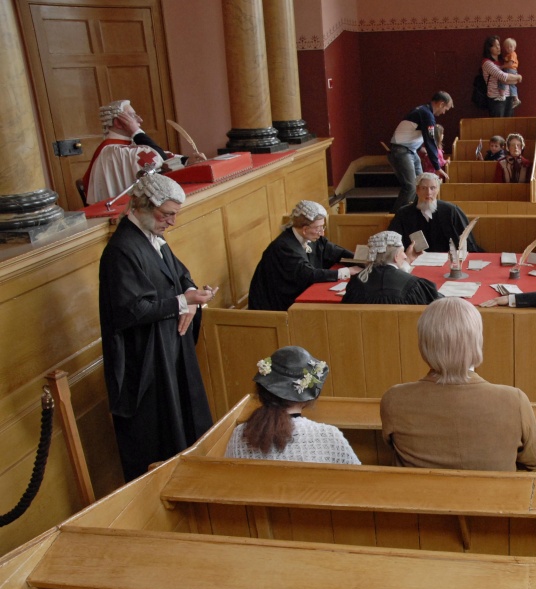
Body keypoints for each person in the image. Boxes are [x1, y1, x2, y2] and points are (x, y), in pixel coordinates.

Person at [98, 172, 216, 481]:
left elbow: (182, 275)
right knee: (157, 433)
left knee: (184, 419)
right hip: (145, 360)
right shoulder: (122, 249)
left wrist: (192, 300)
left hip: (167, 347)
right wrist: (181, 301)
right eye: (167, 215)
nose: (172, 222)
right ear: (143, 206)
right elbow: (132, 310)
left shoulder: (155, 239)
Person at [381, 298, 536, 471]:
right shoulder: (514, 400)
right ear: (477, 342)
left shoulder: (395, 399)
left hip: (421, 496)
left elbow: (393, 448)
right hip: (495, 496)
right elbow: (532, 460)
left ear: (423, 344)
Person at [225, 346, 361, 465]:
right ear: (307, 395)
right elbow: (358, 480)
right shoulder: (328, 436)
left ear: (262, 389)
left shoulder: (240, 434)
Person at [82, 99, 206, 205]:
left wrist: (188, 161)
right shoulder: (114, 151)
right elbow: (158, 157)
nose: (140, 120)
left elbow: (163, 156)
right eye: (132, 116)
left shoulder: (129, 146)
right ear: (118, 122)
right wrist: (136, 131)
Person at [248, 200, 355, 311]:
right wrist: (347, 271)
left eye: (322, 227)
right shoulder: (284, 247)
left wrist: (361, 261)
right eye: (318, 228)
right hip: (276, 306)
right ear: (304, 229)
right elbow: (308, 274)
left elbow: (336, 251)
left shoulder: (312, 237)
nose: (322, 233)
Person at [387, 91, 453, 213]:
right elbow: (430, 141)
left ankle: (418, 214)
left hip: (410, 151)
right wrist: (437, 166)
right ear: (441, 103)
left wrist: (418, 148)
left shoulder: (422, 111)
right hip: (402, 151)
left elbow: (409, 134)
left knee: (421, 185)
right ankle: (395, 218)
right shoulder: (427, 114)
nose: (443, 112)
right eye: (445, 109)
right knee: (411, 186)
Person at [388, 172, 482, 253]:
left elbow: (467, 242)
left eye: (433, 188)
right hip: (415, 262)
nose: (428, 193)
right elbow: (393, 244)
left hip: (448, 262)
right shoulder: (404, 214)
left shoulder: (451, 211)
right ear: (417, 190)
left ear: (438, 190)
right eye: (424, 188)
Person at [343, 231, 441, 305]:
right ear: (396, 256)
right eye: (403, 252)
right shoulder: (415, 285)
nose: (405, 256)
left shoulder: (356, 282)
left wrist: (406, 263)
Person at [481, 35, 523, 118]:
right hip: (496, 99)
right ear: (489, 48)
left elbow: (512, 81)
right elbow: (503, 77)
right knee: (498, 126)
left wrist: (516, 79)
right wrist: (519, 77)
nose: (498, 47)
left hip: (509, 97)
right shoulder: (487, 63)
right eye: (495, 45)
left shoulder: (503, 62)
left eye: (499, 45)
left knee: (509, 125)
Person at [501, 37, 521, 108]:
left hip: (511, 70)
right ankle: (516, 99)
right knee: (512, 85)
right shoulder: (508, 55)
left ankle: (502, 94)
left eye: (511, 47)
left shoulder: (513, 54)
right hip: (511, 70)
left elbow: (510, 64)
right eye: (507, 47)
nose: (509, 48)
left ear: (514, 47)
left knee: (503, 80)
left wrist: (502, 66)